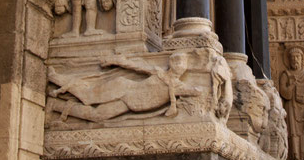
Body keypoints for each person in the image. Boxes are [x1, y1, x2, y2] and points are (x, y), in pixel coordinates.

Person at [48, 52, 201, 122]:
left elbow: (194, 91)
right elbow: (136, 66)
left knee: (97, 115)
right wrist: (116, 61)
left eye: (183, 64)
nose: (180, 66)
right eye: (177, 62)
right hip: (123, 87)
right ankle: (54, 77)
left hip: (127, 104)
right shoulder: (158, 72)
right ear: (171, 64)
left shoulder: (178, 86)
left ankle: (57, 106)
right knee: (88, 96)